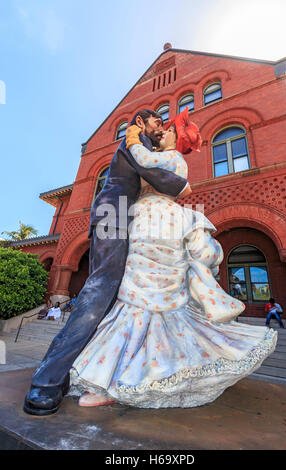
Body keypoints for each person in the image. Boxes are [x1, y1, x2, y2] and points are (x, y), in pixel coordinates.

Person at [68, 108, 278, 409]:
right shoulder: (167, 159)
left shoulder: (172, 158)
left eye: (167, 130)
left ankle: (110, 382)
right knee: (142, 300)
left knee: (136, 296)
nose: (162, 131)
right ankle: (124, 378)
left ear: (176, 140)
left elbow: (144, 161)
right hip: (148, 220)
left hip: (155, 223)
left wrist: (132, 138)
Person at [23, 109, 191, 416]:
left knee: (120, 298)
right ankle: (47, 381)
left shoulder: (148, 147)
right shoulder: (134, 141)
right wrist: (180, 185)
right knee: (99, 292)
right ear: (141, 122)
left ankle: (91, 371)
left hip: (130, 222)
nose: (160, 127)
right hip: (113, 216)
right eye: (157, 121)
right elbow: (152, 172)